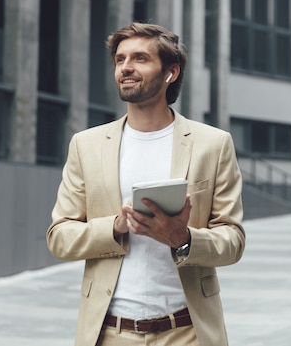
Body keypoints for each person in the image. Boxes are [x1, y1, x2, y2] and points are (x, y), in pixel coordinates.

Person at [47, 22, 245, 346]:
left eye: (140, 58)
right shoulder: (86, 145)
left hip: (188, 332)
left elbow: (233, 240)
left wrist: (182, 238)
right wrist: (115, 226)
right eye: (120, 59)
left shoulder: (213, 144)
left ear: (171, 72)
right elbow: (59, 236)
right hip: (111, 333)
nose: (126, 67)